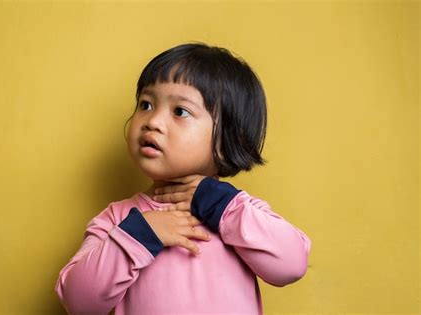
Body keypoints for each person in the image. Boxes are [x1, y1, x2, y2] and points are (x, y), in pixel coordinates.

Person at [54, 42, 312, 315]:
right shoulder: (119, 218)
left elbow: (291, 265)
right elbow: (79, 301)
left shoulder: (237, 210)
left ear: (226, 140)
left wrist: (220, 204)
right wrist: (139, 234)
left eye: (180, 111)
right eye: (146, 104)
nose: (153, 121)